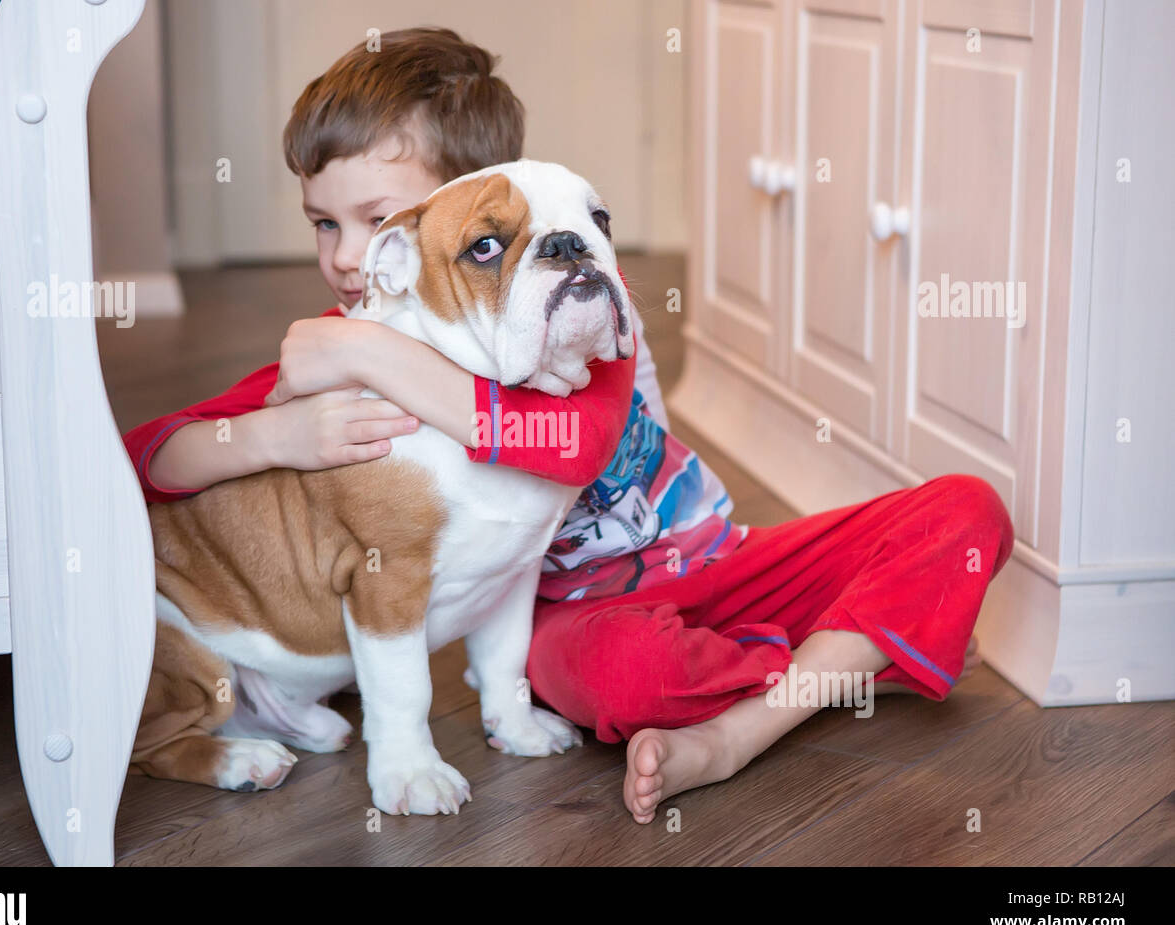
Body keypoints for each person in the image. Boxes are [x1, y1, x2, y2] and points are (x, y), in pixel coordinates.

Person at [122, 27, 1013, 824]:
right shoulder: (337, 348)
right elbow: (142, 457)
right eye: (326, 224)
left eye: (377, 220)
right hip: (580, 614)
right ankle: (833, 672)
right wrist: (273, 436)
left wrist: (381, 361)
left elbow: (570, 449)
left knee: (967, 511)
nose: (351, 255)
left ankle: (815, 669)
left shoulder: (577, 332)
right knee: (633, 678)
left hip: (712, 555)